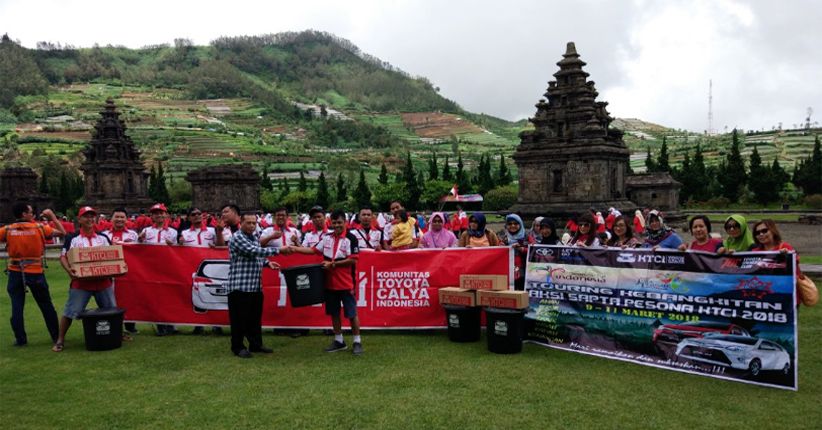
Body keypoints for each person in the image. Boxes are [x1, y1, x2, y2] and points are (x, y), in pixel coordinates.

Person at [288, 210, 363, 355]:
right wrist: (295, 249)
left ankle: (357, 341)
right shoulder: (327, 238)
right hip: (329, 283)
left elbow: (353, 259)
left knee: (352, 313)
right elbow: (313, 250)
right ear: (331, 223)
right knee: (334, 313)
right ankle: (339, 340)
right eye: (334, 223)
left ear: (345, 223)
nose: (337, 226)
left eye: (339, 222)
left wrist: (333, 264)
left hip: (346, 283)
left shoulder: (351, 238)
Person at [52, 206, 118, 352]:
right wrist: (69, 270)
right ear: (79, 219)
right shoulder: (72, 238)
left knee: (112, 311)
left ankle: (117, 334)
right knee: (70, 312)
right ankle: (60, 339)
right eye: (86, 216)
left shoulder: (103, 237)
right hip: (81, 283)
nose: (90, 219)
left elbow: (113, 256)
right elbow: (63, 256)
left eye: (92, 216)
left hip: (103, 282)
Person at [0, 202, 65, 347]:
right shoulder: (39, 227)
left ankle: (20, 340)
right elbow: (62, 233)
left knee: (17, 306)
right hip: (35, 271)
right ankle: (56, 336)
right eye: (31, 212)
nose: (33, 215)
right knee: (46, 305)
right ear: (24, 214)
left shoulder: (7, 229)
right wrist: (52, 217)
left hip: (15, 271)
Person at [225, 211, 284, 358]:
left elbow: (256, 256)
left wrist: (267, 263)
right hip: (239, 286)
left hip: (255, 285)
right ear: (241, 222)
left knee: (254, 318)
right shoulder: (238, 237)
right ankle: (237, 347)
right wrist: (279, 250)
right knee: (239, 319)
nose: (252, 226)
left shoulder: (255, 236)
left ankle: (256, 344)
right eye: (248, 223)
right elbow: (252, 251)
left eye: (254, 223)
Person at [138, 203, 178, 336]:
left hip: (168, 269)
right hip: (151, 270)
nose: (159, 215)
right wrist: (139, 241)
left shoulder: (173, 232)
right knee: (156, 298)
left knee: (169, 297)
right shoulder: (146, 231)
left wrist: (174, 246)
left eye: (161, 213)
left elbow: (179, 251)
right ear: (152, 216)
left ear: (166, 215)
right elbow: (139, 250)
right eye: (156, 213)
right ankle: (160, 325)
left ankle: (171, 324)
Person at [499, 214, 533, 291]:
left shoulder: (527, 237)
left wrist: (522, 249)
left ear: (520, 224)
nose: (512, 226)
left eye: (515, 223)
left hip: (524, 271)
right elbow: (496, 253)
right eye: (510, 224)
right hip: (508, 271)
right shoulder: (503, 237)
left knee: (522, 292)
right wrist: (502, 248)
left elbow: (534, 251)